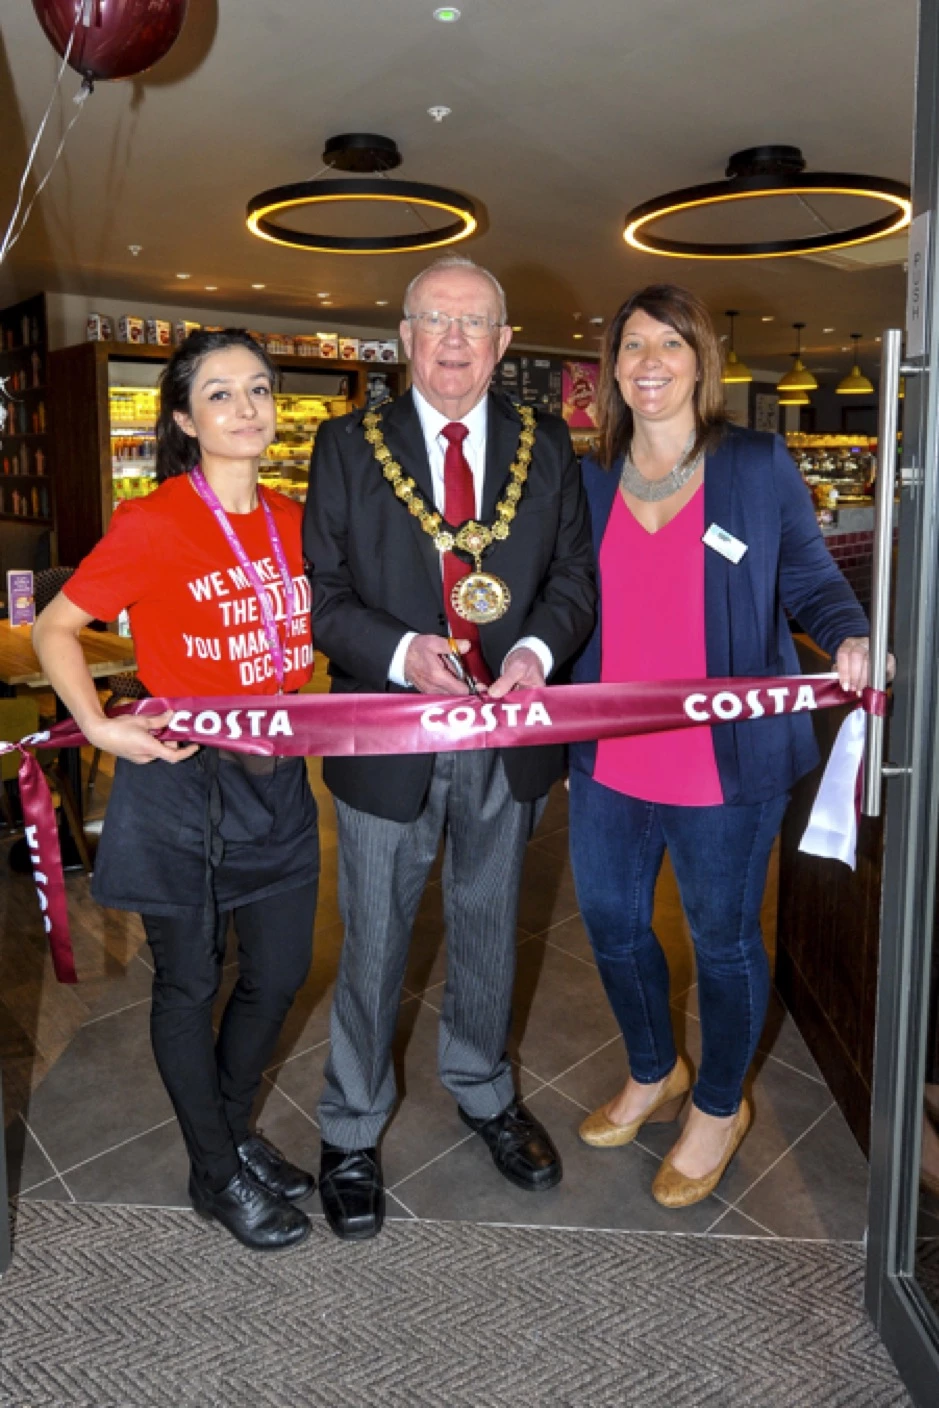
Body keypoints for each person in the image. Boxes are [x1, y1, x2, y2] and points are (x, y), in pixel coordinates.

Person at [303, 255, 596, 1239]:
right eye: (437, 321)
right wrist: (403, 653)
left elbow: (573, 580)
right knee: (374, 938)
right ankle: (348, 1125)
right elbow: (326, 601)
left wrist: (531, 651)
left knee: (486, 922)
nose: (457, 341)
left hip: (506, 735)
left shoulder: (546, 445)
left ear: (506, 344)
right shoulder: (347, 447)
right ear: (405, 337)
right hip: (389, 735)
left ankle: (481, 1089)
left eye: (477, 324)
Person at [568, 284, 873, 1208]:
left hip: (725, 763)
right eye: (631, 345)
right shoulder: (586, 477)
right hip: (609, 758)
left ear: (700, 361)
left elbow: (811, 583)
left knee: (724, 943)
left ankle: (714, 1106)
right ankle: (654, 1068)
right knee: (614, 929)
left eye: (669, 343)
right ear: (612, 366)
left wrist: (849, 633)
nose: (648, 361)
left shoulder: (752, 462)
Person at [33, 329, 319, 1251]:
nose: (248, 409)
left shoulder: (292, 516)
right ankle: (212, 1171)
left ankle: (230, 1134)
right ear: (186, 420)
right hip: (182, 789)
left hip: (276, 783)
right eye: (223, 394)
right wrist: (105, 725)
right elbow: (56, 626)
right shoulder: (153, 521)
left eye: (260, 391)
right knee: (190, 984)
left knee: (275, 976)